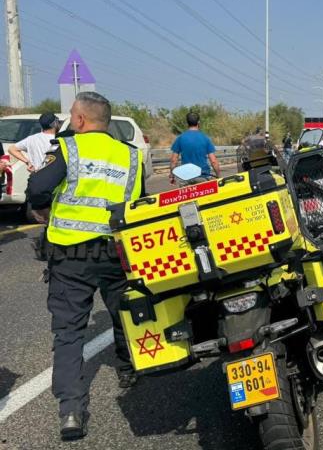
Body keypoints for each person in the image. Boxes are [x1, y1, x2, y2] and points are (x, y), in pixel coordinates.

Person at [26, 92, 145, 440]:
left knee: (68, 332)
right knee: (123, 312)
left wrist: (44, 210)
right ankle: (128, 368)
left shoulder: (67, 149)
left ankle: (71, 412)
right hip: (114, 251)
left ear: (78, 120)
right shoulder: (132, 156)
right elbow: (135, 203)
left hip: (70, 256)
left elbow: (37, 188)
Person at [169, 112, 220, 181]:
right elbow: (213, 161)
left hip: (186, 177)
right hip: (203, 176)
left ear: (187, 123)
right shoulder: (205, 138)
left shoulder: (180, 138)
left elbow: (173, 160)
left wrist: (172, 175)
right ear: (198, 122)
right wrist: (218, 176)